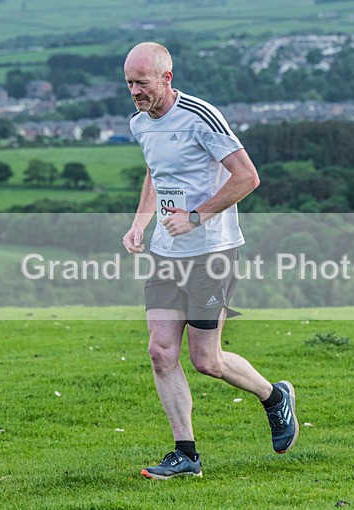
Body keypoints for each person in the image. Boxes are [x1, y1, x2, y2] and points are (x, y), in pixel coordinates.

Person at [121, 41, 299, 479]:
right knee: (161, 352)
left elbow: (248, 176)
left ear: (167, 77)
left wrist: (198, 216)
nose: (135, 93)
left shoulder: (202, 116)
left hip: (211, 253)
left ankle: (273, 397)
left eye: (141, 83)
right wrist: (140, 223)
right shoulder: (140, 124)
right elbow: (154, 173)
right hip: (166, 254)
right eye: (129, 84)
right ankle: (186, 455)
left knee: (207, 360)